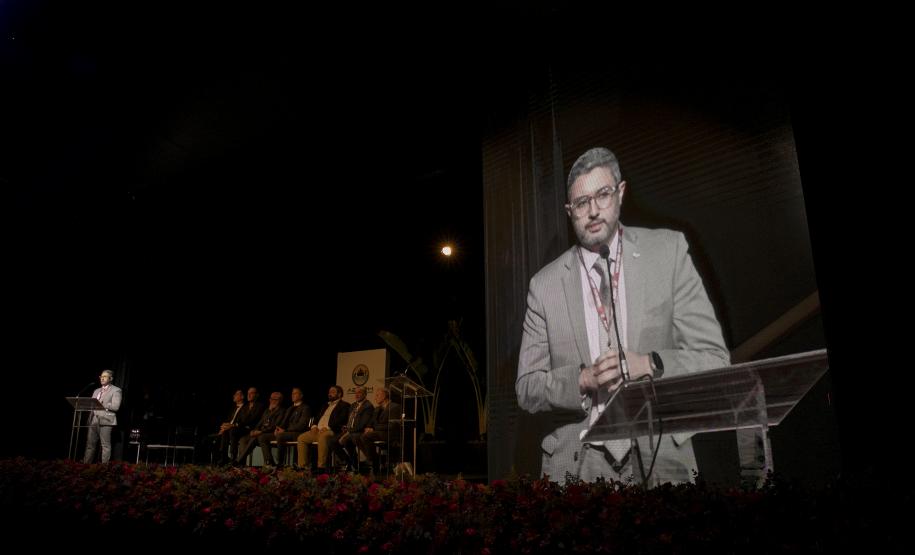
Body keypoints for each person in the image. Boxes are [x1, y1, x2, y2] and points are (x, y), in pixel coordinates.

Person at [516, 147, 730, 485]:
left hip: (662, 457)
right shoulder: (543, 286)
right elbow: (527, 389)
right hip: (576, 465)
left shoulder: (669, 252)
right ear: (569, 212)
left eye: (602, 195)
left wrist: (649, 364)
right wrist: (582, 380)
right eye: (581, 203)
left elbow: (715, 360)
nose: (593, 211)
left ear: (621, 193)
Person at [296, 385, 349, 473]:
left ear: (339, 394)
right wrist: (314, 426)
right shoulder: (325, 405)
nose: (329, 394)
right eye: (329, 392)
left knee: (323, 437)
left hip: (331, 431)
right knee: (301, 438)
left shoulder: (344, 405)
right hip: (318, 430)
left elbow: (342, 419)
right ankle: (303, 467)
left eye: (332, 392)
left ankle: (321, 467)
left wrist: (328, 427)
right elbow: (317, 418)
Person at [258, 387, 311, 467]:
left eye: (295, 393)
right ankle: (270, 462)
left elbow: (301, 425)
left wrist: (285, 430)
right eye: (292, 393)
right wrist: (277, 429)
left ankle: (280, 463)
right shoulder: (289, 408)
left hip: (297, 433)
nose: (293, 395)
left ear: (301, 396)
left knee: (280, 436)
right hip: (285, 432)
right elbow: (282, 422)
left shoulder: (305, 408)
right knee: (262, 437)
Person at [355, 387, 402, 474]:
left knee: (366, 436)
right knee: (357, 437)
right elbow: (371, 422)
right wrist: (368, 428)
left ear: (385, 395)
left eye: (377, 395)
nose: (375, 397)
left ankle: (373, 461)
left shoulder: (395, 407)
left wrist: (373, 428)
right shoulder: (377, 409)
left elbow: (392, 426)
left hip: (389, 434)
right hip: (378, 433)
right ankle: (375, 459)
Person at [82, 369, 123, 464]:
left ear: (111, 378)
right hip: (94, 420)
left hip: (106, 420)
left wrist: (102, 404)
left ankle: (104, 468)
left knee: (105, 445)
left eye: (105, 376)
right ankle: (85, 466)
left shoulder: (116, 390)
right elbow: (92, 406)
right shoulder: (96, 391)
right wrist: (89, 419)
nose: (102, 378)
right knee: (90, 445)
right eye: (101, 376)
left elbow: (116, 407)